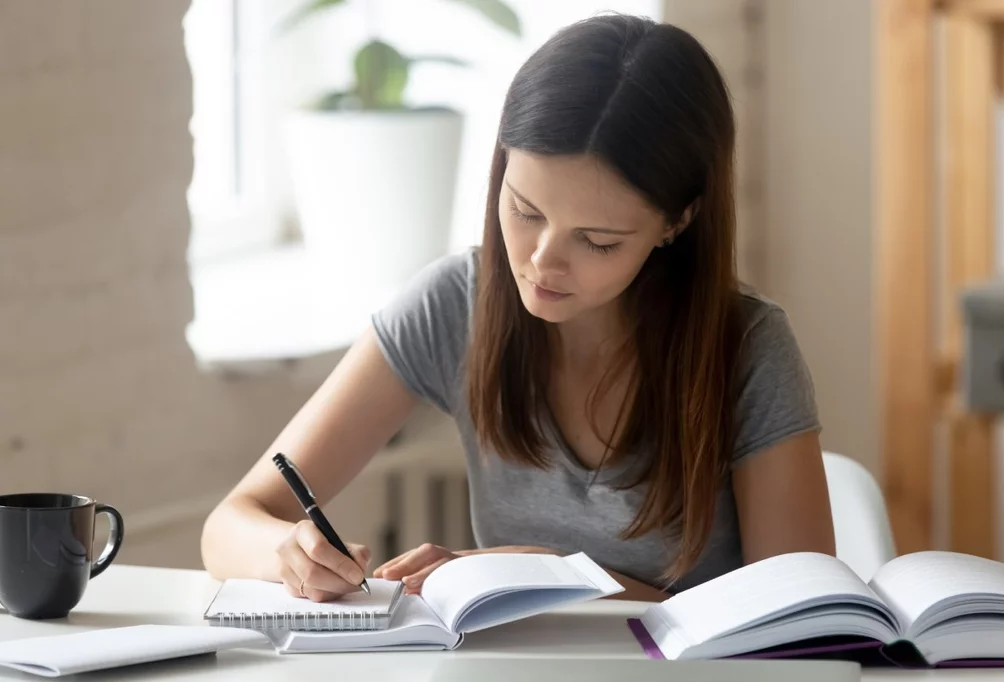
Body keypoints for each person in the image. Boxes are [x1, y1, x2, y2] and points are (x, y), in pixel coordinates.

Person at [200, 13, 835, 604]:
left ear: (678, 221)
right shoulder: (454, 304)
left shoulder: (748, 347)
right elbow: (229, 526)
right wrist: (287, 551)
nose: (541, 261)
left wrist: (553, 576)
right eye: (525, 211)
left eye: (597, 240)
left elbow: (798, 617)